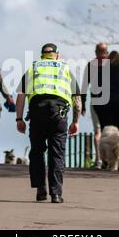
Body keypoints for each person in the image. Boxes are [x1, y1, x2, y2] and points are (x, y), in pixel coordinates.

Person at [16, 43, 81, 203]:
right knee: (56, 154)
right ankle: (56, 194)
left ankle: (40, 190)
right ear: (57, 55)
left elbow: (21, 95)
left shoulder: (34, 68)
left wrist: (19, 119)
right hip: (59, 113)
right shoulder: (65, 69)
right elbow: (77, 100)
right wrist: (76, 121)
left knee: (37, 151)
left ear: (42, 55)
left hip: (37, 112)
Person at [81, 42, 108, 170]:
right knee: (109, 131)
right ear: (106, 52)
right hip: (110, 101)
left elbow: (84, 86)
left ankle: (98, 161)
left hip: (96, 101)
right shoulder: (111, 64)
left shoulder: (91, 65)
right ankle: (110, 160)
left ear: (96, 52)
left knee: (97, 132)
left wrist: (83, 104)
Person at [92, 51, 119, 131]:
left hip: (105, 105)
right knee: (116, 130)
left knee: (105, 131)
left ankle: (106, 142)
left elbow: (94, 92)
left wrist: (97, 108)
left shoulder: (101, 73)